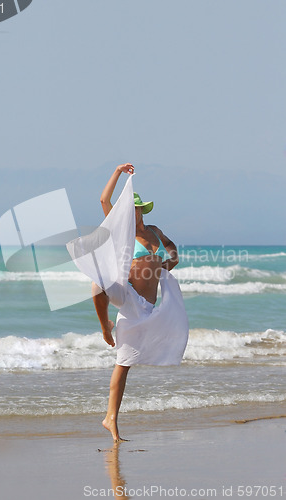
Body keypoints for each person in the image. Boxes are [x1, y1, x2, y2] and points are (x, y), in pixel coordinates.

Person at [92, 163, 188, 442]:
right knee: (97, 284)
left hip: (148, 307)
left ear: (140, 210)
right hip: (128, 295)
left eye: (132, 208)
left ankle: (110, 418)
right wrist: (117, 172)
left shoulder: (155, 230)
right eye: (125, 209)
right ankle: (104, 328)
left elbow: (173, 252)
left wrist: (166, 262)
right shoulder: (120, 231)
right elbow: (103, 200)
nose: (127, 213)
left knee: (124, 364)